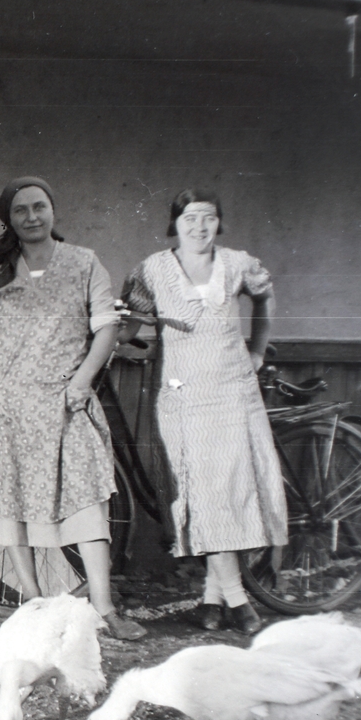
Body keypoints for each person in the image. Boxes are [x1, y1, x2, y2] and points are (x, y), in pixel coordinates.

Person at [0, 177, 146, 640]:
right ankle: (36, 605)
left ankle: (103, 608)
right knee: (11, 506)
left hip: (64, 402)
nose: (32, 216)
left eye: (40, 206)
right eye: (21, 210)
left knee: (86, 503)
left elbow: (105, 329)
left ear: (53, 211)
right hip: (8, 406)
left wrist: (80, 384)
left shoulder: (83, 263)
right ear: (10, 220)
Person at [119, 190, 286, 635]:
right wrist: (108, 334)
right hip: (184, 394)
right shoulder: (153, 270)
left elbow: (265, 299)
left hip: (233, 391)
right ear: (175, 224)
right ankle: (228, 596)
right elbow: (129, 325)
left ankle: (224, 598)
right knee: (207, 491)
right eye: (190, 218)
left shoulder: (236, 264)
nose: (199, 227)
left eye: (208, 218)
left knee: (226, 491)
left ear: (219, 223)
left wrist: (257, 350)